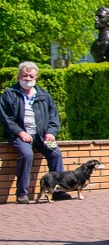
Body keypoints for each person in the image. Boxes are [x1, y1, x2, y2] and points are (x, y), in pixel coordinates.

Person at [0, 61, 69, 204]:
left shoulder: (44, 94)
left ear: (36, 77)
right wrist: (20, 132)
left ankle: (57, 191)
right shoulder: (10, 94)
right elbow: (6, 118)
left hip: (42, 134)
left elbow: (53, 116)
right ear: (19, 76)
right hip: (20, 135)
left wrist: (51, 132)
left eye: (31, 76)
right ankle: (22, 194)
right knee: (26, 154)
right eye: (25, 76)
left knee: (56, 153)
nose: (28, 79)